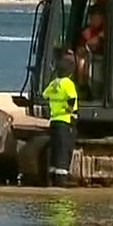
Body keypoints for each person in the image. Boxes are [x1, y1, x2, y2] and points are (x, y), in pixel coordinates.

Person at [42, 53, 79, 183]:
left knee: (55, 151)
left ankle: (51, 178)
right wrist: (68, 109)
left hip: (54, 121)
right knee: (64, 151)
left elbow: (45, 95)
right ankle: (62, 181)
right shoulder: (68, 83)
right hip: (66, 121)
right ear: (70, 72)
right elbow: (72, 98)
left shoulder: (54, 84)